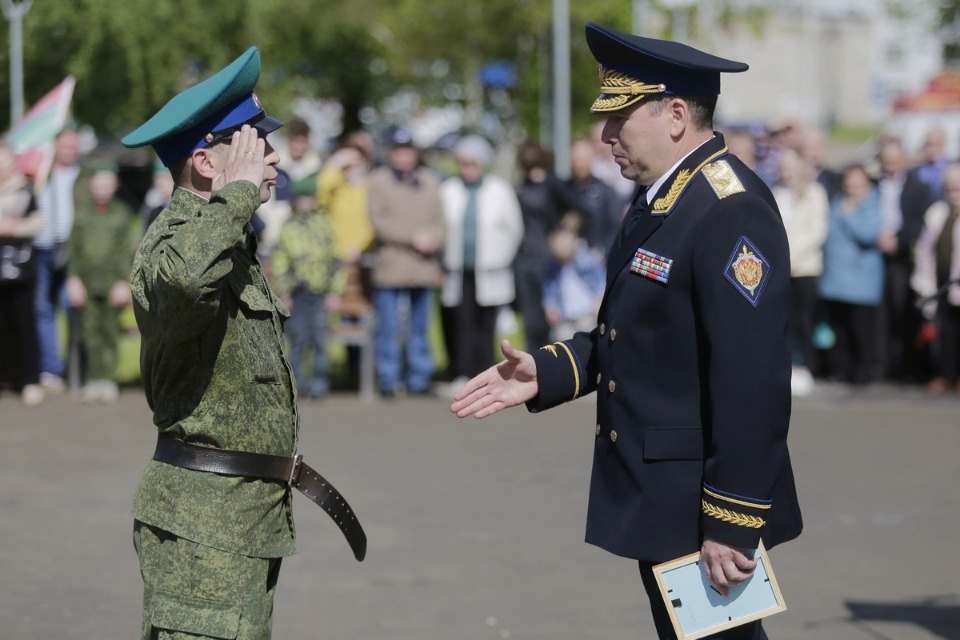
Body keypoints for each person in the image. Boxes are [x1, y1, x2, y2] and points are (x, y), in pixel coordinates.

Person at [451, 23, 802, 640]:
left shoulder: (727, 206)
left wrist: (732, 517)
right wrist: (551, 370)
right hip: (663, 490)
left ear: (674, 115)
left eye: (619, 118)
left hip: (701, 501)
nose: (605, 135)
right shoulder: (661, 199)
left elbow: (753, 379)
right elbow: (635, 331)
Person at [121, 47, 364, 640]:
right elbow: (182, 281)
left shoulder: (225, 243)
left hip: (238, 517)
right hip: (204, 524)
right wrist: (236, 196)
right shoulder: (176, 245)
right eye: (256, 147)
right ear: (206, 163)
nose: (274, 159)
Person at [440, 134, 524, 394]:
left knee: (486, 325)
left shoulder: (500, 190)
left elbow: (514, 229)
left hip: (491, 271)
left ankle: (486, 371)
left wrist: (500, 257)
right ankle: (462, 371)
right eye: (463, 163)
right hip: (457, 269)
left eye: (473, 163)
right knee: (460, 323)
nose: (468, 168)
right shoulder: (448, 190)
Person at [367, 127, 445, 398]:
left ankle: (420, 378)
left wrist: (434, 237)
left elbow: (441, 221)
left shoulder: (430, 181)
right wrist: (414, 237)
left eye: (408, 151)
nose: (404, 156)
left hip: (423, 268)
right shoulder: (378, 181)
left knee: (420, 327)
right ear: (391, 153)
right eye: (399, 151)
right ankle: (388, 378)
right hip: (392, 266)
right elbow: (379, 223)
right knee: (388, 326)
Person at [65, 161, 138, 403]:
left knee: (109, 332)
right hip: (85, 283)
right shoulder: (82, 213)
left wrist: (123, 282)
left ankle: (107, 379)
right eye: (98, 184)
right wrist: (73, 278)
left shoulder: (122, 213)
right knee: (89, 333)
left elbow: (123, 252)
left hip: (111, 283)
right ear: (91, 186)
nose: (102, 188)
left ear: (114, 185)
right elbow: (73, 249)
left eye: (107, 184)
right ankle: (93, 378)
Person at [271, 175, 345, 400]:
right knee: (298, 339)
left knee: (320, 339)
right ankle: (298, 383)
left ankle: (319, 382)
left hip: (321, 292)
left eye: (310, 198)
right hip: (298, 293)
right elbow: (281, 260)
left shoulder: (324, 223)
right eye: (302, 198)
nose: (306, 202)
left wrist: (335, 291)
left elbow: (335, 259)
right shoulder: (289, 226)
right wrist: (284, 291)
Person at [875, 137, 935, 382]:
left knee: (903, 312)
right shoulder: (874, 184)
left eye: (894, 159)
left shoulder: (918, 187)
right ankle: (883, 365)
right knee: (879, 315)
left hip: (903, 258)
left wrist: (897, 240)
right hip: (875, 254)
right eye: (885, 160)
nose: (890, 164)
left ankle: (908, 366)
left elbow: (921, 221)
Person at [819, 164, 884, 386]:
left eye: (857, 181)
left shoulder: (872, 203)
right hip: (835, 279)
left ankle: (862, 371)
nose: (852, 186)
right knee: (839, 330)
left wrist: (850, 215)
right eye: (849, 181)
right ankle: (841, 369)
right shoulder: (838, 201)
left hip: (860, 283)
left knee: (860, 331)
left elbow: (869, 234)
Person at [772, 147, 828, 395]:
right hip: (779, 269)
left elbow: (816, 232)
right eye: (782, 165)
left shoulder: (815, 193)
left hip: (805, 268)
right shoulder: (775, 192)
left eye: (790, 165)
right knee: (783, 321)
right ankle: (786, 366)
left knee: (804, 321)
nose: (785, 170)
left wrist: (790, 258)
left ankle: (805, 366)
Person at [33, 125, 83, 392]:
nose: (71, 150)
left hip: (72, 248)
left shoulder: (82, 176)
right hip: (41, 247)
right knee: (43, 308)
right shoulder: (40, 174)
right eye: (66, 144)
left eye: (74, 145)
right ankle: (50, 368)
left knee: (71, 305)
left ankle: (75, 368)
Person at [0, 140, 45, 406]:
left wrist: (12, 228)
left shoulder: (26, 190)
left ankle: (30, 379)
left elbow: (38, 223)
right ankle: (6, 377)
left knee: (24, 324)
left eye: (4, 160)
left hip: (20, 270)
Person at [912, 162, 960, 395]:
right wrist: (923, 281)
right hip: (942, 279)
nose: (954, 192)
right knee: (946, 331)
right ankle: (945, 373)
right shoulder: (938, 212)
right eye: (950, 188)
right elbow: (925, 249)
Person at [513, 140, 566, 351]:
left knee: (552, 317)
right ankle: (533, 364)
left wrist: (565, 233)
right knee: (530, 320)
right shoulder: (521, 186)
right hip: (525, 258)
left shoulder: (554, 184)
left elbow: (576, 209)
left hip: (549, 259)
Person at [542, 210, 606, 341]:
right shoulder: (554, 268)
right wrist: (550, 307)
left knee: (591, 338)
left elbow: (600, 279)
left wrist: (599, 299)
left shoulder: (586, 260)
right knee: (560, 339)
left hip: (587, 312)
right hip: (565, 315)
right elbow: (549, 289)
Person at [566, 137, 624, 256]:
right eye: (575, 160)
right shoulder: (564, 189)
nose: (578, 164)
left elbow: (615, 226)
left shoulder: (605, 191)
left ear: (592, 159)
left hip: (595, 258)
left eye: (582, 159)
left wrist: (604, 251)